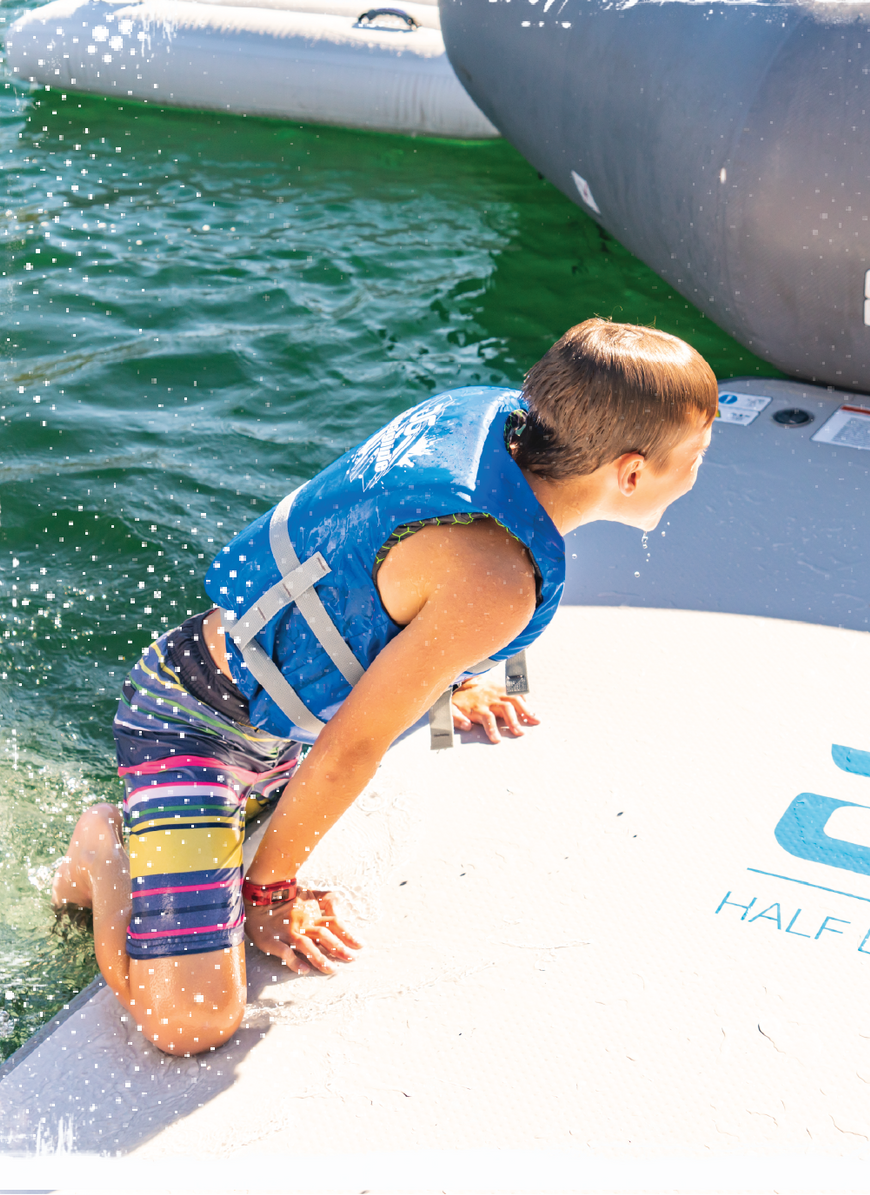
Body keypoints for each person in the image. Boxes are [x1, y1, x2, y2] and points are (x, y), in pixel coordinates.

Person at [50, 318, 716, 1056]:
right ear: (629, 474)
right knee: (192, 1024)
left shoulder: (497, 425)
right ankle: (104, 847)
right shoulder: (495, 583)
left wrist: (448, 679)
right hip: (194, 724)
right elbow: (353, 745)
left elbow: (382, 580)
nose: (697, 473)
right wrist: (269, 891)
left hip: (265, 720)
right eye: (694, 458)